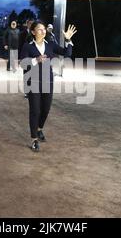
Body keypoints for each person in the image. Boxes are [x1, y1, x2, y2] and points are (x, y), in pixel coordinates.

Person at [21, 21, 77, 152]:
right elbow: (23, 63)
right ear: (33, 32)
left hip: (48, 82)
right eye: (40, 29)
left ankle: (39, 129)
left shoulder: (51, 45)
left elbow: (67, 53)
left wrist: (68, 39)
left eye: (44, 29)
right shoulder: (27, 47)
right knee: (35, 110)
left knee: (45, 109)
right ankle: (34, 139)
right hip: (33, 83)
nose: (43, 31)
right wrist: (36, 60)